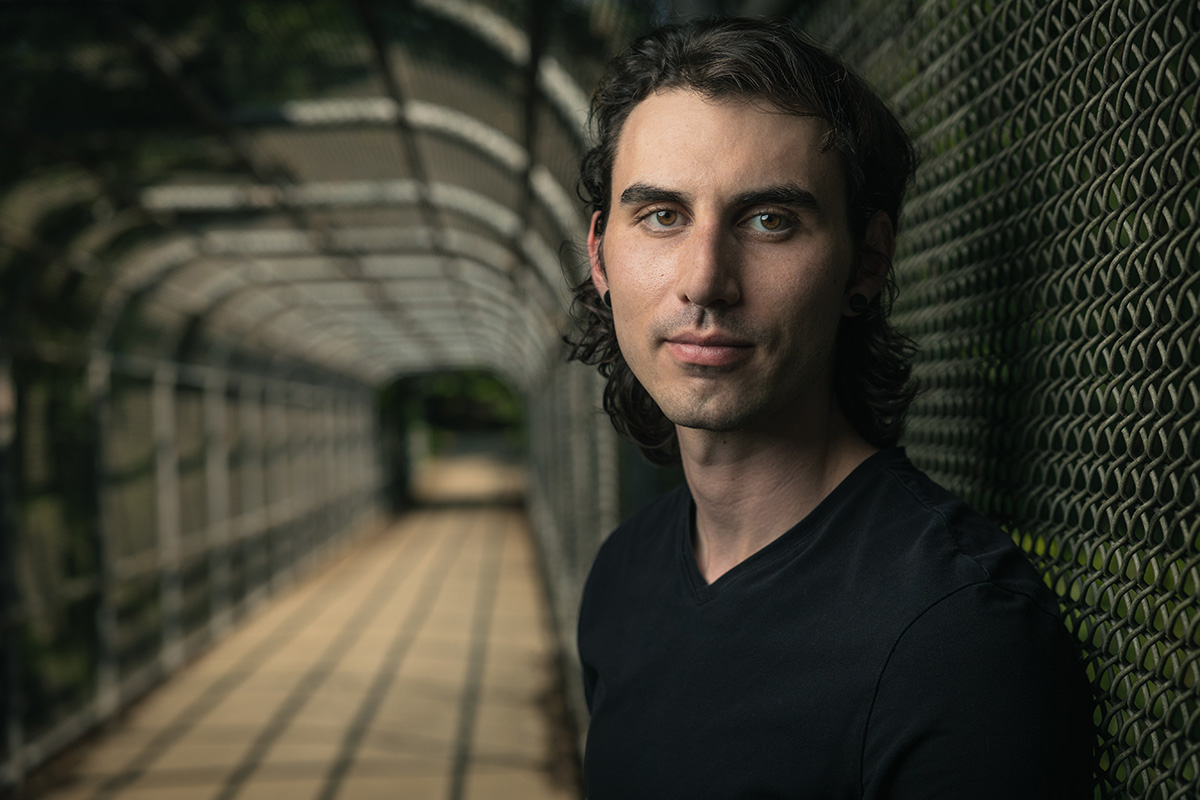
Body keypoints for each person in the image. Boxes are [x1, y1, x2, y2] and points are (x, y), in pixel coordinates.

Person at [566, 16, 1093, 799]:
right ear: (602, 254)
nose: (705, 279)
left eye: (770, 220)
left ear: (868, 260)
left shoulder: (958, 634)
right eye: (663, 216)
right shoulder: (623, 574)